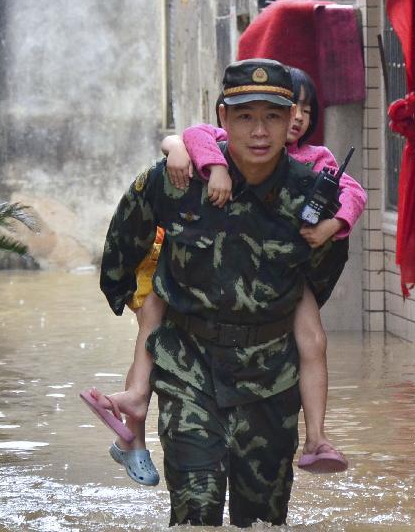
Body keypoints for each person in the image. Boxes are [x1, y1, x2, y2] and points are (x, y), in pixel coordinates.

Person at [99, 58, 349, 526]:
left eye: (273, 117)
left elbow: (323, 270)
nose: (260, 131)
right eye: (245, 117)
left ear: (290, 120)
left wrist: (278, 308)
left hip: (270, 378)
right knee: (197, 506)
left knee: (261, 517)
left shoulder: (310, 197)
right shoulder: (177, 181)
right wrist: (141, 308)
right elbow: (122, 244)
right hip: (187, 365)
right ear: (223, 118)